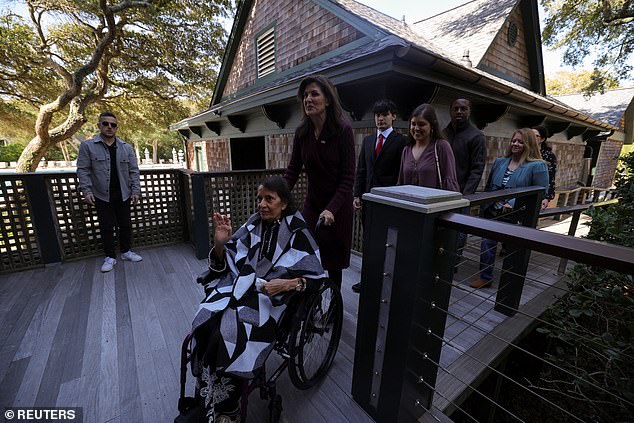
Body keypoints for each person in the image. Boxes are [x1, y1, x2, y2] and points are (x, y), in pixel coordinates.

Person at [191, 176, 326, 423]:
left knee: (231, 334)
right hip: (240, 287)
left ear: (283, 203)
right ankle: (207, 396)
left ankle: (227, 409)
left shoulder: (298, 232)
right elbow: (228, 260)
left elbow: (316, 277)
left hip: (273, 301)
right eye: (259, 199)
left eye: (269, 199)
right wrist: (220, 243)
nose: (262, 204)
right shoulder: (254, 224)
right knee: (205, 321)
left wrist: (286, 283)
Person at [284, 75, 355, 288]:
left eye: (314, 94)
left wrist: (332, 209)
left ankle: (333, 308)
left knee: (333, 265)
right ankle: (310, 303)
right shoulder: (301, 133)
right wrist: (276, 196)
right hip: (313, 205)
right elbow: (292, 171)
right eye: (305, 95)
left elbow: (348, 177)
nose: (308, 99)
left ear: (328, 100)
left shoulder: (343, 130)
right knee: (306, 256)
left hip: (337, 208)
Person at [471, 128, 549, 289]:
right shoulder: (500, 162)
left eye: (520, 141)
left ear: (529, 144)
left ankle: (510, 284)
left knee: (514, 250)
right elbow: (489, 188)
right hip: (493, 211)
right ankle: (485, 277)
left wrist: (513, 203)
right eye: (514, 140)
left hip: (517, 215)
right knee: (487, 244)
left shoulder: (537, 165)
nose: (515, 143)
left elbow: (540, 192)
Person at [351, 99, 407, 293]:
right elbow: (361, 170)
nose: (380, 118)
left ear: (393, 116)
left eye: (384, 114)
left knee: (388, 244)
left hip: (389, 203)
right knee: (369, 243)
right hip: (367, 202)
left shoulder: (401, 142)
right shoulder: (367, 141)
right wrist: (357, 194)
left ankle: (386, 283)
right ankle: (368, 280)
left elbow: (402, 173)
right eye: (377, 115)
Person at [77, 112, 142, 273]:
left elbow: (134, 171)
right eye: (105, 124)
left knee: (125, 225)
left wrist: (136, 191)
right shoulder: (88, 146)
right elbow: (83, 170)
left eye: (113, 125)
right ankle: (110, 257)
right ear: (99, 125)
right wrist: (86, 190)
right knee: (106, 226)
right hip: (101, 194)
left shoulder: (126, 147)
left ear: (116, 128)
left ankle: (126, 252)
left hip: (123, 193)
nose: (109, 127)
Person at [444, 98, 487, 267]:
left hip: (462, 194)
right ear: (451, 111)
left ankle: (453, 263)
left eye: (463, 109)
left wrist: (465, 195)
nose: (459, 112)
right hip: (441, 192)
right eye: (456, 108)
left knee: (458, 231)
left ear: (469, 111)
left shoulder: (476, 136)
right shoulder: (443, 133)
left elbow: (477, 169)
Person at [397, 103, 460, 191]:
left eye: (421, 124)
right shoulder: (406, 150)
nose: (416, 128)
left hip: (433, 203)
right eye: (413, 124)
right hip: (409, 203)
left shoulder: (441, 147)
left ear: (432, 126)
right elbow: (401, 183)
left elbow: (450, 183)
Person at [532, 125, 557, 209]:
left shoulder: (548, 156)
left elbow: (551, 177)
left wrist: (547, 197)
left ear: (542, 139)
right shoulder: (523, 152)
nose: (532, 138)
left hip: (538, 192)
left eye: (536, 136)